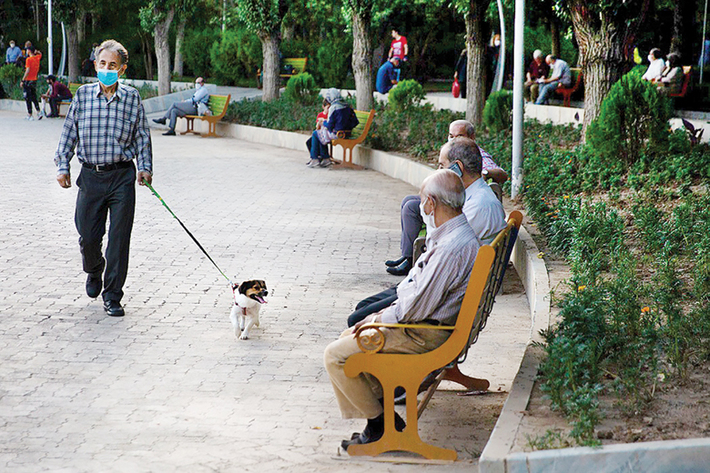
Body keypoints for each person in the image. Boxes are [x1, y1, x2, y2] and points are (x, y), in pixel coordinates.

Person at [325, 169, 481, 452]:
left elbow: (412, 306)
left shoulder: (452, 247)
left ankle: (380, 426)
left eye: (422, 200)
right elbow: (412, 289)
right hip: (428, 326)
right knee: (348, 336)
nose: (420, 206)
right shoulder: (455, 232)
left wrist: (376, 318)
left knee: (336, 355)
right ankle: (383, 424)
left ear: (431, 203)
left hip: (425, 335)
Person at [54, 39, 153, 318]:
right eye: (102, 63)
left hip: (122, 176)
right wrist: (63, 166)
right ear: (95, 65)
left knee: (119, 240)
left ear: (121, 69)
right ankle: (94, 269)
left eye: (112, 65)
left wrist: (145, 168)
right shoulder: (83, 95)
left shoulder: (132, 98)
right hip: (90, 176)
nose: (106, 69)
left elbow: (142, 137)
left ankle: (112, 296)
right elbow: (68, 132)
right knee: (88, 236)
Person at [383, 120, 507, 276]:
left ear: (458, 168)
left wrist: (429, 208)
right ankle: (407, 257)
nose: (439, 171)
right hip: (453, 272)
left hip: (454, 277)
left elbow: (439, 244)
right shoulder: (474, 196)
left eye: (442, 166)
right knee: (409, 203)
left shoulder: (478, 206)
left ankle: (409, 259)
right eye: (451, 136)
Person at [306, 88, 359, 168]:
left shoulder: (333, 108)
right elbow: (355, 122)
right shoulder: (347, 106)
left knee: (315, 133)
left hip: (337, 134)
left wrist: (323, 122)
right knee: (321, 134)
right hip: (347, 133)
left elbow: (330, 125)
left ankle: (315, 159)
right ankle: (325, 158)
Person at [21, 46, 42, 120]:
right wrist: (36, 52)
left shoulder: (28, 59)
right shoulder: (37, 58)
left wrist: (23, 80)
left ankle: (30, 114)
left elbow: (28, 70)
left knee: (27, 97)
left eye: (27, 50)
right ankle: (39, 112)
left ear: (29, 51)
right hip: (34, 79)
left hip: (28, 80)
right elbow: (40, 54)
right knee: (34, 96)